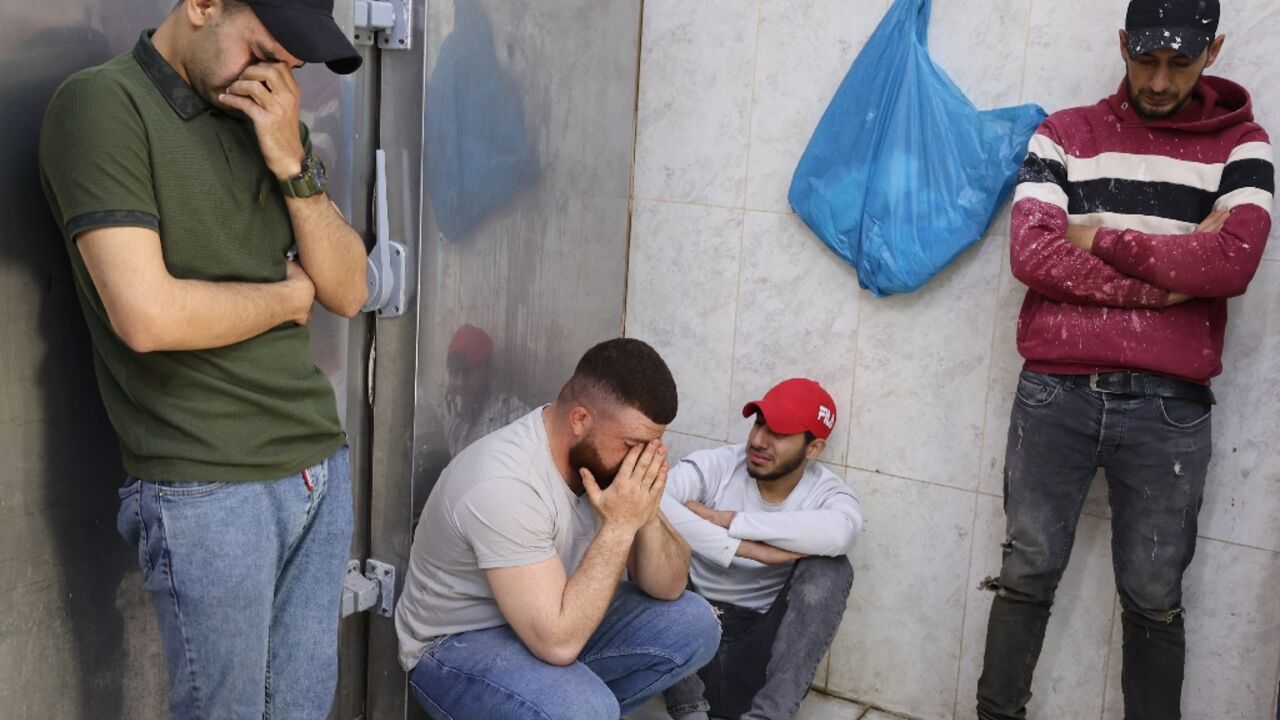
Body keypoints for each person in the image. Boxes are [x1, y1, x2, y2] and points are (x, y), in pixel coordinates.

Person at [38, 1, 367, 717]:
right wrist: (283, 302)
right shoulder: (103, 105)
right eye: (263, 50)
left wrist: (292, 165)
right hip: (209, 483)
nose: (278, 78)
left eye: (292, 64)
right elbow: (148, 317)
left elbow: (348, 288)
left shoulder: (274, 127)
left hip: (317, 467)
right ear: (202, 6)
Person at [977, 1, 1273, 718]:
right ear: (1122, 45)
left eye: (1180, 61)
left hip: (1169, 410)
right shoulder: (1064, 134)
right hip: (1055, 393)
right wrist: (1170, 286)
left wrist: (1097, 235)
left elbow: (1232, 262)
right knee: (1026, 572)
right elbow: (1031, 252)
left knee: (1153, 596)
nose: (1161, 80)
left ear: (1214, 49)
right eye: (1145, 60)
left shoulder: (1245, 145)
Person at [395, 338, 721, 719]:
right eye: (633, 444)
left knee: (695, 623)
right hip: (456, 645)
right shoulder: (504, 483)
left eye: (651, 446)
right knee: (583, 709)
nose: (641, 459)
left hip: (552, 613)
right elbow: (558, 644)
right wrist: (619, 526)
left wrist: (644, 511)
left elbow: (667, 586)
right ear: (581, 419)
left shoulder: (606, 460)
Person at [661, 378, 863, 720]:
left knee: (832, 569)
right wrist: (741, 547)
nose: (758, 440)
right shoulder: (718, 466)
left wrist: (730, 520)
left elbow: (843, 533)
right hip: (688, 643)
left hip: (760, 655)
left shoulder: (825, 493)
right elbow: (650, 501)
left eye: (780, 433)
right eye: (759, 423)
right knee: (645, 533)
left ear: (813, 449)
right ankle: (690, 712)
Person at [442, 323, 530, 456]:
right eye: (454, 373)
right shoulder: (446, 414)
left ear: (488, 371)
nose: (460, 383)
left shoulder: (514, 416)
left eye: (468, 372)